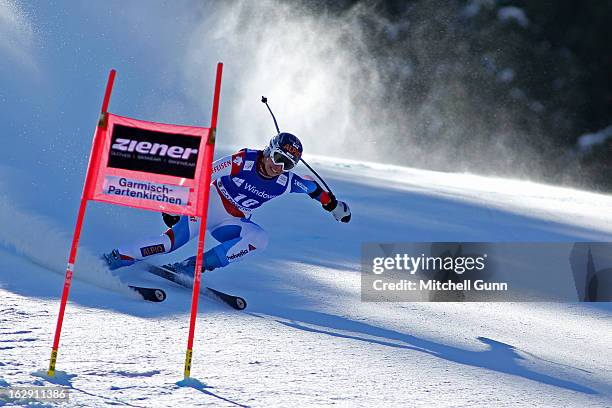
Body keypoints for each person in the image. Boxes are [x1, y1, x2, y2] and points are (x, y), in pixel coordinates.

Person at [102, 132, 351, 276]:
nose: (278, 167)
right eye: (277, 158)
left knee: (259, 239)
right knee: (169, 243)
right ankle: (117, 257)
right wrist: (175, 205)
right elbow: (203, 174)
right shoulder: (243, 161)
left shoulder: (284, 181)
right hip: (208, 205)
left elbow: (311, 187)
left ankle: (192, 267)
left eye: (287, 164)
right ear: (269, 150)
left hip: (232, 222)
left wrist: (333, 207)